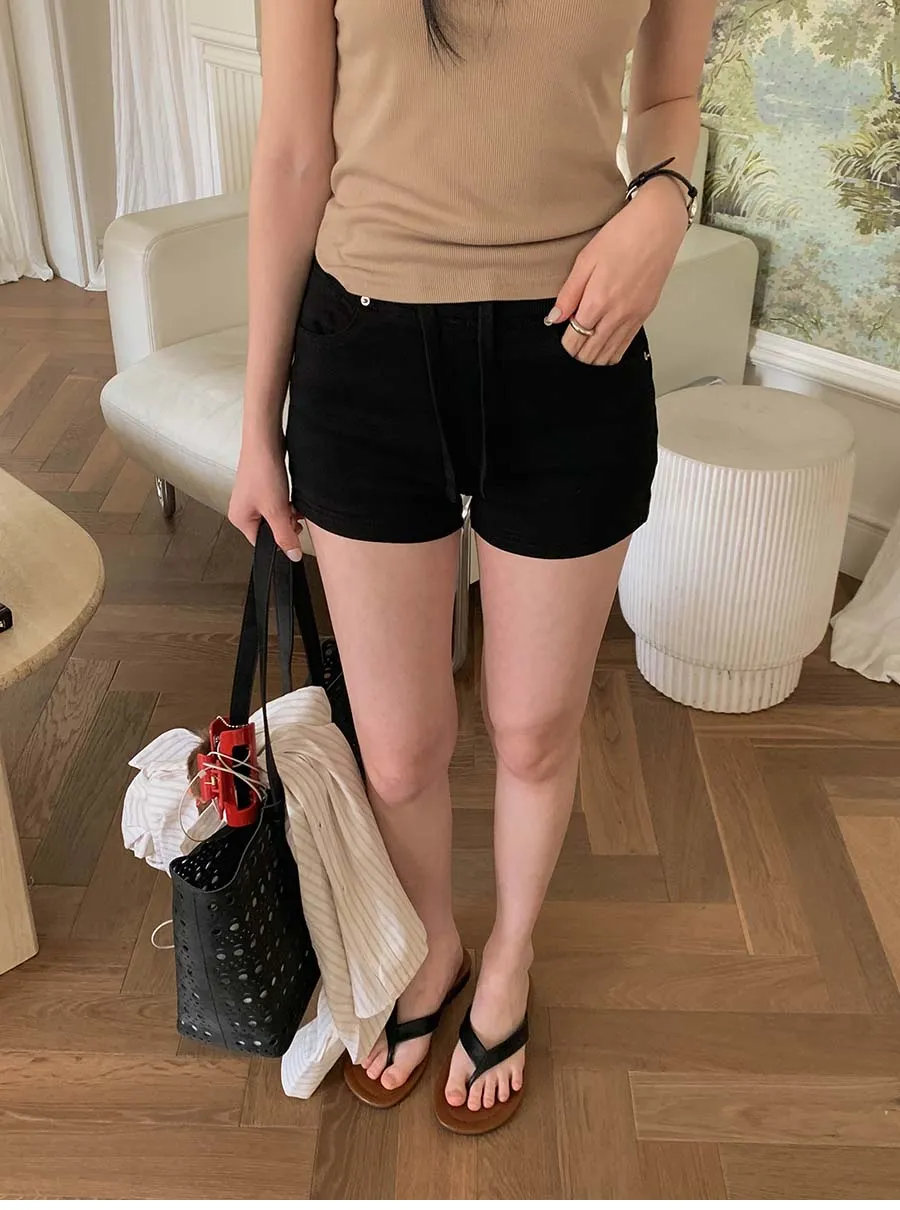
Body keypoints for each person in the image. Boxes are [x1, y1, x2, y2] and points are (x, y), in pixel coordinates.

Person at [229, 0, 718, 1134]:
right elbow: (295, 150)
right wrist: (256, 421)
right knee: (399, 747)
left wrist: (664, 200)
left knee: (537, 729)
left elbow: (668, 94)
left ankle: (510, 957)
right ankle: (434, 942)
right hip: (364, 351)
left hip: (575, 343)